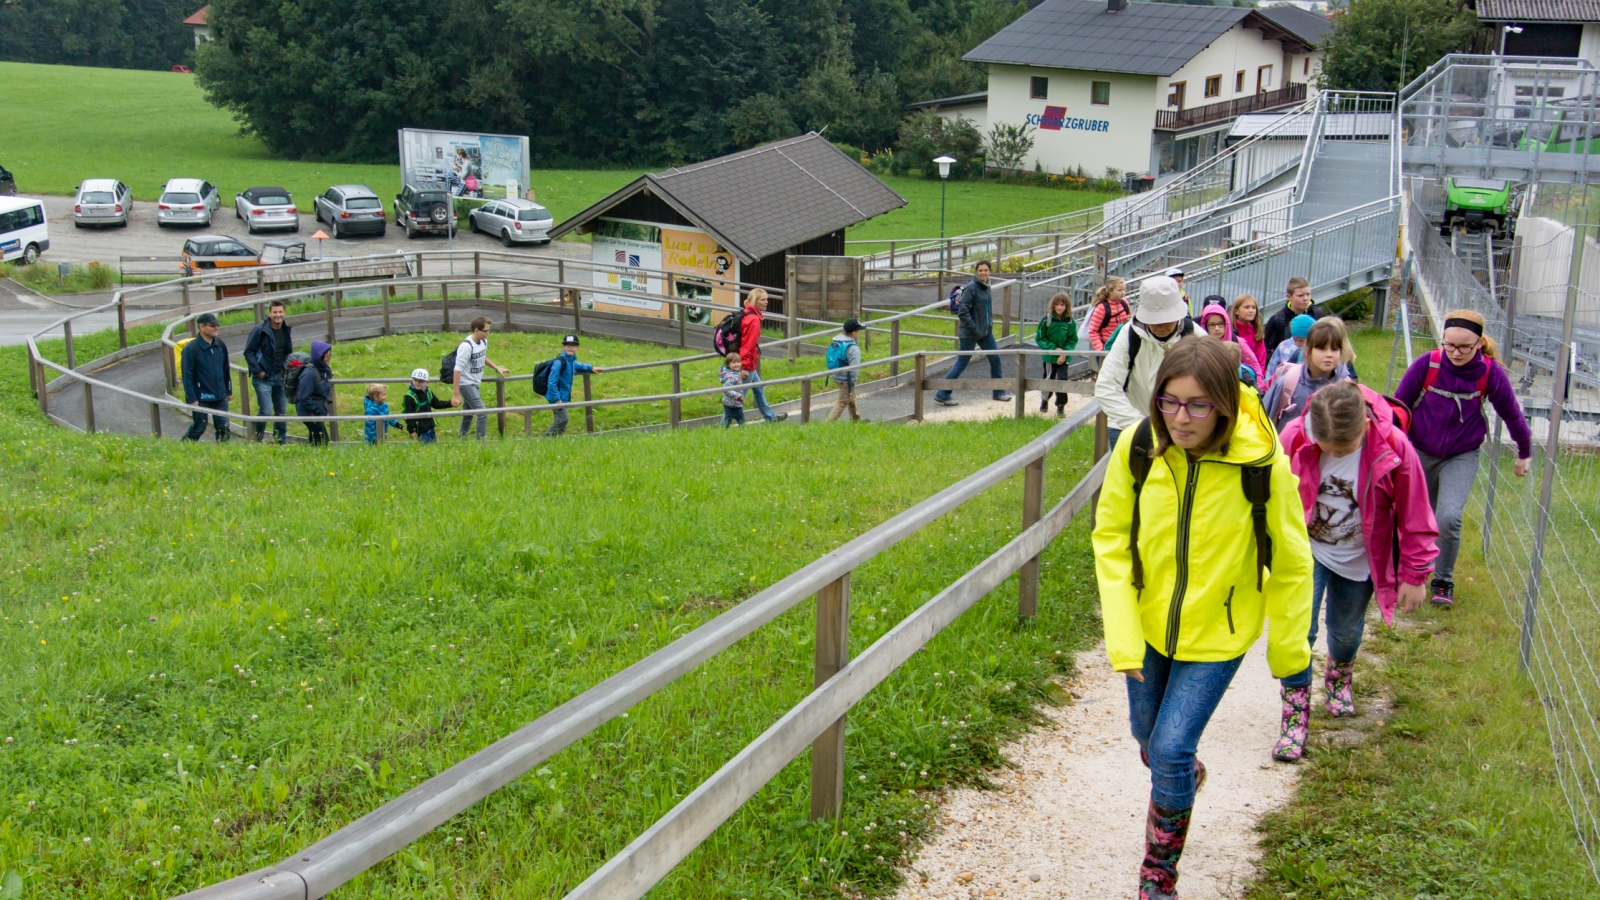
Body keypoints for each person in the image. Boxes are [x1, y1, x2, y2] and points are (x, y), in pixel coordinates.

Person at [1092, 336, 1312, 900]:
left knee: (1168, 746)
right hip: (1146, 625)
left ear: (1225, 403)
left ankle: (1158, 874)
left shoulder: (1260, 464)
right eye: (1168, 401)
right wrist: (1122, 633)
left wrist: (1291, 657)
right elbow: (1111, 539)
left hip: (1220, 633)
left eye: (1196, 405)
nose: (1179, 418)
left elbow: (1291, 562)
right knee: (1147, 736)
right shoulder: (1140, 446)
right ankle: (1182, 783)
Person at [1270, 381, 1439, 762]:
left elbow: (1416, 513)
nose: (1332, 453)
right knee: (1298, 631)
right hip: (1306, 552)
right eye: (1325, 446)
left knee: (1345, 632)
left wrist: (1415, 575)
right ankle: (1294, 718)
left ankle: (1338, 678)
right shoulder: (1296, 435)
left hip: (1359, 556)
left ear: (1364, 425)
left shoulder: (1393, 446)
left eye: (1341, 450)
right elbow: (1269, 491)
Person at [1394, 308, 1533, 607]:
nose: (1455, 352)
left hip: (1461, 454)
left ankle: (1442, 581)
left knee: (1448, 517)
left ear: (1480, 343)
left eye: (1464, 347)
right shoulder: (1427, 365)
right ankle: (1404, 572)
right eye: (1449, 344)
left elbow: (1511, 413)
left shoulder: (1489, 374)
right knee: (1413, 515)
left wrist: (1524, 452)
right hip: (1418, 451)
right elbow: (1398, 408)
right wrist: (1392, 446)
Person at [1093, 275, 1205, 447]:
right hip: (1128, 423)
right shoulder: (1129, 336)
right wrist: (1141, 426)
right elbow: (1106, 385)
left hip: (1180, 427)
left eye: (1166, 319)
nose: (1161, 325)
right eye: (1155, 319)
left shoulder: (1195, 335)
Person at [935, 260, 1013, 406]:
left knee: (995, 360)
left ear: (990, 271)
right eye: (980, 270)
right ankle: (942, 393)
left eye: (986, 270)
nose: (983, 273)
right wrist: (974, 329)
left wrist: (986, 327)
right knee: (961, 363)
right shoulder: (971, 288)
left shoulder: (986, 286)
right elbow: (963, 311)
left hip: (985, 332)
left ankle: (999, 392)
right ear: (976, 272)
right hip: (970, 333)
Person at [1261, 317, 1359, 432]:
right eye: (1322, 349)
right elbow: (1262, 421)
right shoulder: (1288, 382)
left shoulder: (1347, 389)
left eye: (1334, 349)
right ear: (1307, 351)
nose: (1329, 355)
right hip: (1287, 448)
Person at [243, 300, 292, 444]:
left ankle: (280, 440)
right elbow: (249, 352)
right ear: (270, 313)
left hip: (280, 376)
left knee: (281, 411)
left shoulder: (285, 329)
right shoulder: (260, 330)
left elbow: (287, 352)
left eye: (280, 312)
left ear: (284, 313)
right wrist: (258, 371)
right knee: (266, 411)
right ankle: (256, 439)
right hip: (263, 377)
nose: (278, 315)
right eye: (275, 312)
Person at [452, 316, 509, 440]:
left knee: (468, 414)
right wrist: (456, 394)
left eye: (489, 330)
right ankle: (481, 443)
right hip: (466, 384)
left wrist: (496, 368)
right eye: (486, 331)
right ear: (476, 330)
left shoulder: (483, 341)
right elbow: (457, 369)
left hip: (475, 382)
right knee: (482, 413)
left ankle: (461, 440)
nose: (488, 333)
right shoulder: (466, 346)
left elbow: (482, 356)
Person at [181, 312, 232, 443]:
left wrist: (228, 390)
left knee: (224, 428)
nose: (216, 328)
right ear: (201, 327)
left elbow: (225, 369)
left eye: (217, 325)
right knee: (199, 427)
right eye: (212, 325)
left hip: (220, 395)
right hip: (201, 396)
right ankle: (183, 447)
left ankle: (223, 455)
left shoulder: (220, 345)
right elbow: (187, 376)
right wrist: (191, 398)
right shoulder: (191, 348)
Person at [738, 288, 787, 423]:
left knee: (758, 389)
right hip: (747, 364)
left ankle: (770, 417)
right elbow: (748, 345)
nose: (766, 302)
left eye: (767, 299)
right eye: (763, 300)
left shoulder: (746, 313)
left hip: (747, 362)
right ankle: (725, 426)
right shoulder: (753, 320)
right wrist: (745, 366)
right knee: (739, 397)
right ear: (755, 301)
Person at [544, 334, 605, 436]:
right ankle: (545, 439)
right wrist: (556, 399)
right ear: (564, 347)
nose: (570, 347)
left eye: (573, 345)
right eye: (568, 345)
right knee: (563, 419)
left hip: (563, 395)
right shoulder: (559, 362)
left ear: (577, 348)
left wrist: (589, 367)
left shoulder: (569, 360)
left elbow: (576, 365)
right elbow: (551, 382)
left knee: (561, 421)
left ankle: (556, 441)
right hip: (557, 396)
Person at [1198, 297, 1263, 384]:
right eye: (1212, 325)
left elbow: (1254, 365)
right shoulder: (1200, 344)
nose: (1217, 329)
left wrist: (1258, 387)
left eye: (1220, 324)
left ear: (1226, 324)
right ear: (1205, 326)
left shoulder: (1237, 341)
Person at [1035, 292, 1078, 415]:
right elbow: (1040, 337)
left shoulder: (1070, 321)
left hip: (1064, 357)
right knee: (1049, 378)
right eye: (1057, 305)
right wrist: (1053, 349)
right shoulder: (1047, 320)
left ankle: (1061, 405)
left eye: (1062, 305)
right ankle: (1044, 400)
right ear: (1053, 305)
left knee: (1062, 379)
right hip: (1049, 357)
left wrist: (1064, 353)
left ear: (1066, 306)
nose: (1059, 307)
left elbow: (1073, 339)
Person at [1262, 276, 1327, 352]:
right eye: (1300, 295)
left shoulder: (1318, 314)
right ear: (1289, 297)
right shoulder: (1277, 319)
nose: (1305, 298)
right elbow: (1267, 350)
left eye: (1308, 294)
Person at [402, 368, 455, 445]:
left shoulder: (428, 392)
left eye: (420, 381)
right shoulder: (410, 396)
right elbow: (409, 415)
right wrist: (412, 430)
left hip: (430, 427)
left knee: (433, 447)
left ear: (427, 382)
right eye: (415, 380)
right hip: (420, 430)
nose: (417, 383)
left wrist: (450, 403)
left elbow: (436, 404)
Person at [1085, 277, 1131, 367]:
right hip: (1106, 347)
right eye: (1119, 290)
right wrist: (1101, 350)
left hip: (1123, 346)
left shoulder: (1125, 303)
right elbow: (1093, 331)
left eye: (1124, 290)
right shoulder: (1101, 308)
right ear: (1110, 291)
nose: (1123, 293)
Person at [296, 340, 334, 446]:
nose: (327, 359)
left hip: (316, 410)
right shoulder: (309, 374)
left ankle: (312, 457)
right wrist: (318, 410)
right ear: (318, 356)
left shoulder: (322, 369)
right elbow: (304, 397)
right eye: (325, 356)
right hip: (309, 411)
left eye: (329, 355)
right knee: (323, 440)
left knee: (316, 438)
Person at [827, 319, 864, 422]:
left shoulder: (837, 341)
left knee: (851, 397)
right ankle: (827, 424)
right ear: (854, 333)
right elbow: (854, 368)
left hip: (836, 375)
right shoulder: (853, 348)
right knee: (843, 401)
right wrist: (853, 381)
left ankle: (856, 419)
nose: (860, 332)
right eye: (859, 330)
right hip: (846, 378)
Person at [1262, 313, 1315, 379]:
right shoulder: (1284, 346)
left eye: (1301, 341)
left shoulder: (1316, 349)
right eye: (1295, 339)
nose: (1298, 343)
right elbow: (1271, 369)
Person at [1229, 294, 1266, 368]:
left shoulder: (1257, 332)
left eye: (1253, 307)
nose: (1251, 310)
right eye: (1247, 307)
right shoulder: (1229, 331)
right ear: (1236, 311)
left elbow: (1261, 359)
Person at [720, 352, 748, 428]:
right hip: (734, 403)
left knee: (727, 420)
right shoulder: (731, 376)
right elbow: (726, 390)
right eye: (734, 362)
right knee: (741, 421)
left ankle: (722, 430)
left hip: (731, 403)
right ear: (728, 364)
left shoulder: (736, 373)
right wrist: (738, 396)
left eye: (738, 362)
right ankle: (744, 432)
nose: (737, 364)